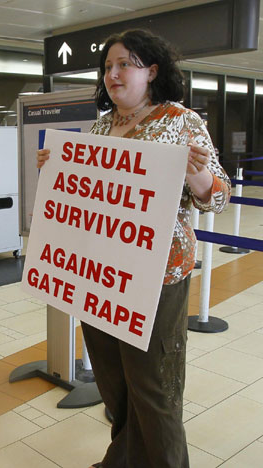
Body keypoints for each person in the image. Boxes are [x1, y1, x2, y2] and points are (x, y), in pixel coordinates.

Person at [37, 30, 230, 468]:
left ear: (152, 71)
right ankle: (123, 459)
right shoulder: (103, 125)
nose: (113, 74)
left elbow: (218, 197)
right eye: (107, 66)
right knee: (115, 383)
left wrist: (194, 174)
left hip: (156, 277)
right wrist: (58, 170)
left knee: (153, 388)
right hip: (99, 272)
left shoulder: (180, 121)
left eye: (124, 64)